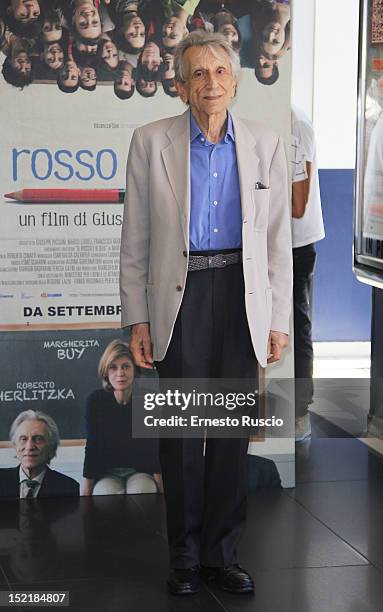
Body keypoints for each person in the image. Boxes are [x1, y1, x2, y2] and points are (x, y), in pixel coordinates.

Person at [120, 30, 292, 595]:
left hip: (241, 298)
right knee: (181, 433)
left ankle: (222, 556)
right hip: (182, 295)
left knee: (229, 435)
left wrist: (277, 319)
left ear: (235, 81)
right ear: (180, 85)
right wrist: (138, 318)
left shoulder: (265, 143)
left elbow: (275, 242)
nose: (210, 83)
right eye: (197, 73)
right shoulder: (151, 142)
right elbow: (136, 240)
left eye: (219, 71)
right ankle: (184, 560)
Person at [82, 339, 160, 496]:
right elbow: (93, 448)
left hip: (140, 472)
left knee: (142, 492)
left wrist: (162, 490)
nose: (120, 373)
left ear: (135, 370)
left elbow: (153, 448)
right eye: (113, 367)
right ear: (105, 372)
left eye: (126, 366)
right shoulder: (96, 401)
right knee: (106, 495)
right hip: (107, 473)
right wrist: (86, 492)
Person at [291, 106, 325, 443]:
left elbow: (298, 204)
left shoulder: (295, 123)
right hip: (270, 243)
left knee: (296, 325)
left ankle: (300, 413)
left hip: (296, 244)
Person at [0, 410, 79, 498]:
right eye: (23, 439)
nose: (29, 447)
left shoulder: (68, 487)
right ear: (15, 446)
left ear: (52, 448)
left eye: (38, 439)